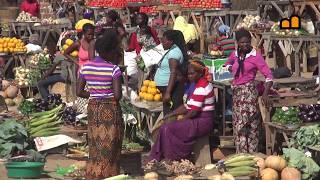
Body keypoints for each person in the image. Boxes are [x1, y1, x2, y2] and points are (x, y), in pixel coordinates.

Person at [77, 29, 124, 179]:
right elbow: (117, 95)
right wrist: (105, 95)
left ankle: (94, 173)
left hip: (93, 108)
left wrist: (94, 94)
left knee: (95, 142)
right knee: (111, 144)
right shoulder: (114, 69)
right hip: (110, 108)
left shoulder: (86, 67)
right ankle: (108, 174)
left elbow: (79, 91)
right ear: (110, 51)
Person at [149, 60, 214, 161]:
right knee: (166, 126)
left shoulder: (202, 87)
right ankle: (159, 157)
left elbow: (193, 112)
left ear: (200, 73)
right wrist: (170, 115)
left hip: (203, 122)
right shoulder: (197, 85)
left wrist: (181, 121)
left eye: (192, 73)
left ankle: (171, 158)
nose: (189, 76)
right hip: (197, 119)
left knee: (168, 128)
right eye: (188, 74)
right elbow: (186, 106)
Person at [225, 28, 273, 153]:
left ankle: (252, 155)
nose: (245, 45)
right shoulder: (235, 54)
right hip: (237, 95)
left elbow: (269, 76)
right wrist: (232, 70)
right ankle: (242, 155)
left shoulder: (256, 56)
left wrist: (266, 94)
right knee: (239, 126)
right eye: (242, 42)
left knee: (251, 125)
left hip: (249, 94)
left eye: (247, 42)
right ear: (237, 43)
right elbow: (228, 64)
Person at [154, 30, 188, 116]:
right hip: (166, 88)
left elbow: (173, 73)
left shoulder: (174, 52)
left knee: (171, 114)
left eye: (164, 41)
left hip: (171, 89)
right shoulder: (170, 50)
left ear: (171, 41)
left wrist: (168, 93)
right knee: (168, 113)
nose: (162, 43)